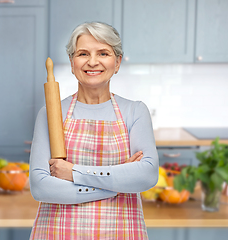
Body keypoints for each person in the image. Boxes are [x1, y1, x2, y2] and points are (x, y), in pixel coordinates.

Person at [29, 22, 158, 240]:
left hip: (120, 232)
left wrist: (74, 173)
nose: (92, 61)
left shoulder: (135, 112)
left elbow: (146, 175)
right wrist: (116, 185)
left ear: (117, 62)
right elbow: (41, 187)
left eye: (103, 53)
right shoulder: (50, 113)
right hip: (58, 232)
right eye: (83, 53)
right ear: (72, 62)